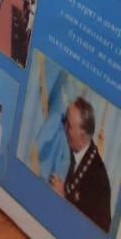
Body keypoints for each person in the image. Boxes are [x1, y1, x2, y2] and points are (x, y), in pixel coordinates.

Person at [50, 97, 112, 231]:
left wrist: (62, 199)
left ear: (82, 136)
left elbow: (98, 231)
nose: (64, 128)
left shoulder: (99, 180)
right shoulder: (76, 154)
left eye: (69, 126)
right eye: (65, 121)